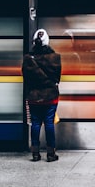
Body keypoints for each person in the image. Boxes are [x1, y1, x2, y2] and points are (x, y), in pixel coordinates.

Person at [22, 29, 62, 162]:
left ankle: (35, 153)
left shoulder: (28, 59)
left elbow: (26, 79)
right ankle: (51, 154)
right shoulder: (55, 58)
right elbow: (57, 78)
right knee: (49, 123)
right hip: (50, 96)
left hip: (33, 97)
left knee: (36, 123)